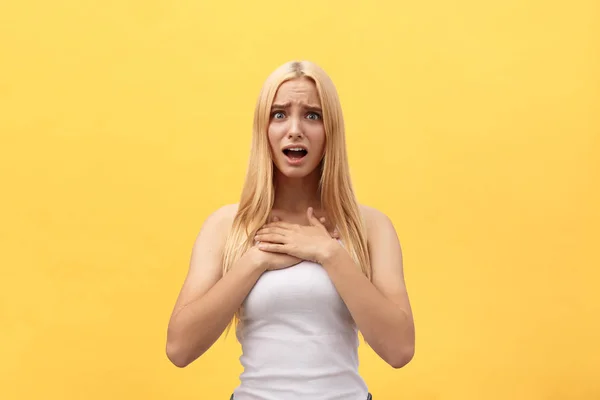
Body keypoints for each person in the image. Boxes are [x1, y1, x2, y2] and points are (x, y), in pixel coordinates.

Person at [166, 60, 415, 399]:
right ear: (263, 129)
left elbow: (399, 349)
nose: (295, 129)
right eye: (279, 114)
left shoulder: (371, 226)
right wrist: (257, 260)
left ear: (331, 131)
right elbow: (179, 348)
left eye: (312, 115)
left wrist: (328, 253)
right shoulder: (227, 226)